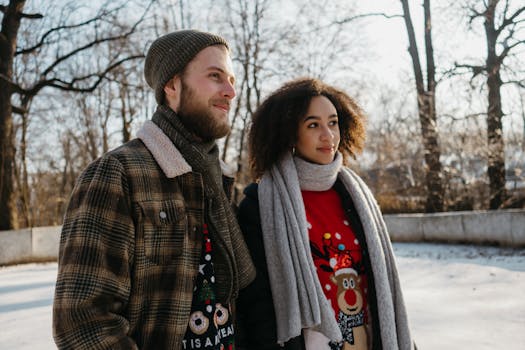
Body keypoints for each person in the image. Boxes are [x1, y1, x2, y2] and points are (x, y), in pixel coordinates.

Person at [53, 29, 256, 349]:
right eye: (215, 76)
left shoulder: (220, 182)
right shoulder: (117, 174)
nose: (230, 91)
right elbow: (83, 324)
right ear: (172, 85)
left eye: (231, 79)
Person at [236, 78, 415, 350]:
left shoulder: (357, 196)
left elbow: (385, 288)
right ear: (289, 133)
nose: (328, 135)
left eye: (332, 122)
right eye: (313, 125)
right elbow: (256, 305)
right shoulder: (260, 205)